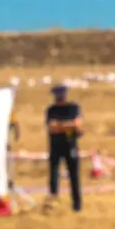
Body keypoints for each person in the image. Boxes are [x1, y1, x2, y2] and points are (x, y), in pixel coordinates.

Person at [45, 83, 83, 211]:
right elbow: (51, 127)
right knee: (53, 175)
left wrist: (60, 126)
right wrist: (68, 125)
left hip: (70, 145)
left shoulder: (73, 108)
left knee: (74, 176)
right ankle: (53, 200)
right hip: (55, 146)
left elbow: (77, 125)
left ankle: (77, 204)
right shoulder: (51, 110)